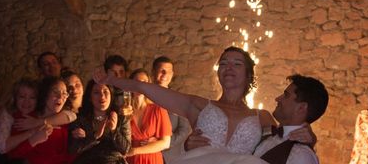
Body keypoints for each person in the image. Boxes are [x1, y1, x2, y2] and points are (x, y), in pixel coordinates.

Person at [96, 46, 314, 164]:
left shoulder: (263, 116)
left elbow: (281, 146)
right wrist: (112, 80)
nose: (229, 67)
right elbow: (145, 88)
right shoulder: (199, 105)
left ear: (249, 76)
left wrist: (310, 137)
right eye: (224, 63)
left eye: (237, 64)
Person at [0, 78, 75, 157]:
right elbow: (10, 152)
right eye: (22, 97)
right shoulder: (20, 119)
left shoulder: (61, 118)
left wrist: (75, 137)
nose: (27, 101)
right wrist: (33, 138)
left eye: (32, 97)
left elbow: (72, 116)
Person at [69, 80, 132, 164]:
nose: (102, 96)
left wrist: (114, 130)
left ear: (111, 95)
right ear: (90, 97)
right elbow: (73, 150)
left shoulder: (121, 118)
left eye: (105, 91)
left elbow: (126, 149)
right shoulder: (80, 119)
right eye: (96, 92)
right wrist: (95, 136)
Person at [126, 68, 172, 164]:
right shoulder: (125, 110)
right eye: (137, 82)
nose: (141, 85)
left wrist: (135, 151)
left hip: (152, 160)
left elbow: (166, 143)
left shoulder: (158, 109)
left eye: (144, 82)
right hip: (130, 161)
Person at [152, 56, 191, 163]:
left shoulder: (179, 99)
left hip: (171, 157)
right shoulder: (144, 97)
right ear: (153, 72)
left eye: (168, 71)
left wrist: (164, 143)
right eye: (161, 71)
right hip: (148, 155)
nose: (165, 74)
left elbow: (184, 129)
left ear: (172, 74)